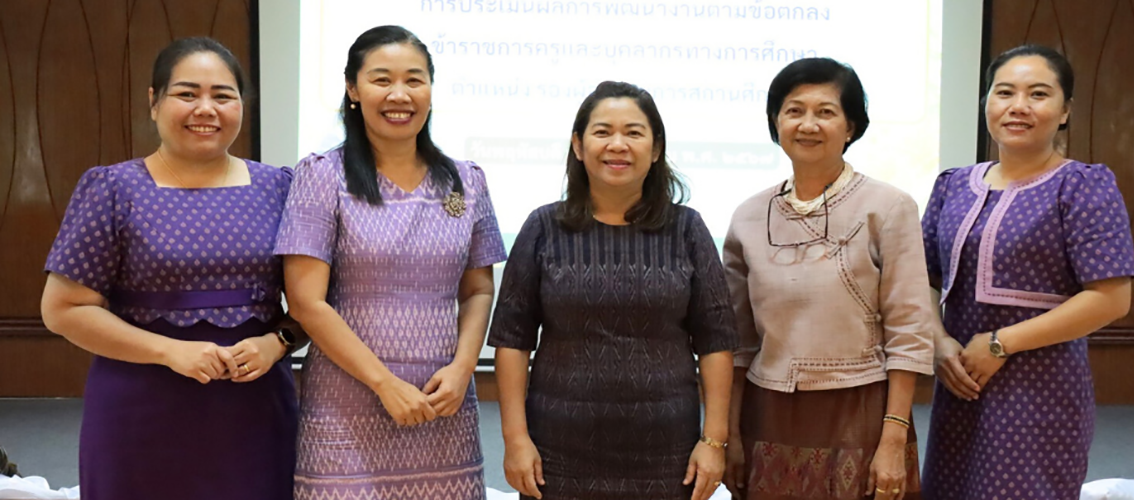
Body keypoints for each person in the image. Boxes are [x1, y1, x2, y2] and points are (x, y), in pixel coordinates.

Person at [40, 37, 300, 500]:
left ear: (242, 106)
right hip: (140, 405)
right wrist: (169, 352)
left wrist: (276, 343)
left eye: (223, 95)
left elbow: (313, 303)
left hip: (255, 406)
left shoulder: (280, 188)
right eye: (187, 93)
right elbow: (64, 309)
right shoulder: (113, 189)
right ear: (154, 102)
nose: (206, 109)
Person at [276, 25, 506, 500]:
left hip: (444, 406)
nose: (399, 94)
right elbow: (304, 302)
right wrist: (384, 384)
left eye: (414, 80)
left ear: (430, 90)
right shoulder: (321, 175)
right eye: (382, 79)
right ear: (353, 89)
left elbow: (479, 289)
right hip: (346, 407)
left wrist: (464, 367)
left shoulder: (467, 181)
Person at [488, 81, 738, 500]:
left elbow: (716, 342)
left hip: (667, 453)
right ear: (578, 145)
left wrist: (714, 441)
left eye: (633, 133)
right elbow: (512, 341)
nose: (617, 145)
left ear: (656, 149)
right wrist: (515, 440)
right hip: (557, 451)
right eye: (602, 132)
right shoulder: (543, 227)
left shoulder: (687, 229)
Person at [920, 44, 1134, 500]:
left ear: (1065, 111)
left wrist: (1000, 344)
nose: (1018, 106)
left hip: (1042, 390)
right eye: (1004, 92)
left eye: (1038, 94)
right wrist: (938, 343)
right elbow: (922, 280)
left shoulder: (1083, 186)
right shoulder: (953, 185)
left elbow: (1112, 298)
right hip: (960, 381)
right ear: (986, 103)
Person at [722, 58, 934, 500]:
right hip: (768, 412)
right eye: (794, 110)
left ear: (850, 126)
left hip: (861, 410)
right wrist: (730, 435)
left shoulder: (889, 207)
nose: (808, 124)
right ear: (775, 122)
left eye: (825, 112)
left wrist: (893, 438)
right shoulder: (748, 215)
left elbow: (910, 332)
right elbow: (738, 344)